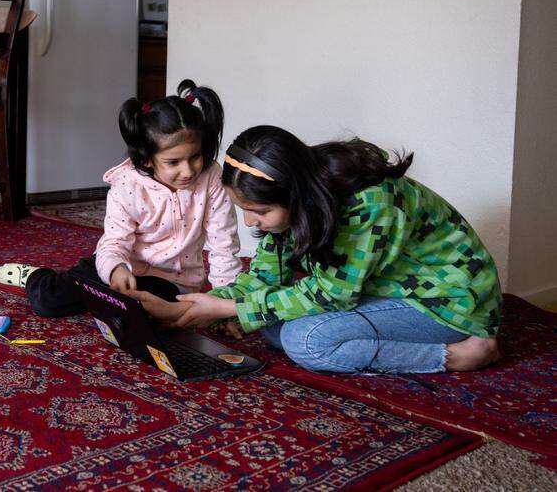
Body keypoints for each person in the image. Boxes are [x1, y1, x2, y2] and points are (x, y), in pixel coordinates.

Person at [132, 125, 503, 374]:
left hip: (446, 303)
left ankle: (456, 355)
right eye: (245, 210)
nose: (250, 223)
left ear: (295, 195)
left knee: (305, 341)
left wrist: (230, 309)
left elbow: (333, 293)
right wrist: (187, 309)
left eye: (259, 212)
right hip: (385, 290)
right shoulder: (300, 194)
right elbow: (263, 278)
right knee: (270, 326)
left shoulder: (368, 203)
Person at [0, 80, 242, 316]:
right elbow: (114, 242)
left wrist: (222, 304)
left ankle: (114, 303)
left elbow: (224, 244)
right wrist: (116, 269)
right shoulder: (127, 184)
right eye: (173, 162)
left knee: (151, 315)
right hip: (121, 265)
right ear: (146, 158)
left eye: (195, 157)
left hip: (172, 282)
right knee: (48, 302)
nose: (188, 170)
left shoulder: (212, 178)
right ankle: (37, 277)